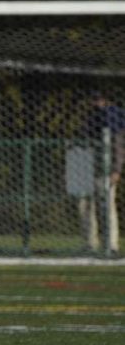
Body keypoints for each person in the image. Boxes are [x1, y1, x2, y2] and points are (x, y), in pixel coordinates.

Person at [67, 93, 125, 255]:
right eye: (93, 99)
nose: (95, 102)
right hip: (87, 165)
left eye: (98, 99)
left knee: (107, 205)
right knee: (85, 205)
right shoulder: (90, 121)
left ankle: (111, 245)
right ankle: (89, 244)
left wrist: (116, 170)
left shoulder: (113, 120)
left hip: (105, 170)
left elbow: (118, 148)